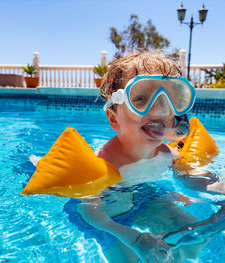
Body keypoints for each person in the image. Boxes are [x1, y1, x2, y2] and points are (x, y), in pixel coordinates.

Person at [77, 51, 203, 263]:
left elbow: (197, 177)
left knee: (195, 236)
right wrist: (135, 240)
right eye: (141, 98)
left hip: (144, 200)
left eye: (170, 99)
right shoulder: (102, 165)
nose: (160, 109)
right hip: (106, 219)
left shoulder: (166, 154)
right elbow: (87, 210)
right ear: (113, 118)